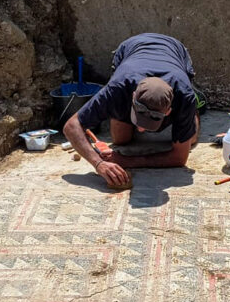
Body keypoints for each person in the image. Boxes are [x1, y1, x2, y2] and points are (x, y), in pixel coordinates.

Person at [62, 33, 206, 187]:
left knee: (191, 140)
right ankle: (122, 110)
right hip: (132, 48)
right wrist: (99, 164)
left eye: (150, 121)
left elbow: (179, 158)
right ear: (132, 97)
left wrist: (126, 160)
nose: (141, 130)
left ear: (168, 111)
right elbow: (71, 126)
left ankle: (194, 109)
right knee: (120, 140)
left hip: (175, 51)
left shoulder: (184, 95)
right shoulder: (117, 88)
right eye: (140, 118)